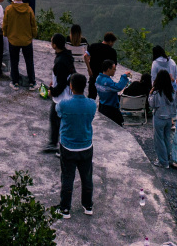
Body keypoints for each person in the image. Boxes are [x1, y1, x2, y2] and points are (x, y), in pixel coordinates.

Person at [56, 73, 97, 219]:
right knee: (87, 177)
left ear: (71, 86)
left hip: (68, 146)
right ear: (84, 86)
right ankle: (88, 206)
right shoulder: (92, 104)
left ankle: (65, 209)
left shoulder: (64, 104)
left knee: (67, 177)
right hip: (86, 145)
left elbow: (58, 113)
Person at [46, 33, 76, 153]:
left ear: (54, 45)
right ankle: (54, 144)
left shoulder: (60, 61)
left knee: (60, 122)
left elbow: (62, 82)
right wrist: (54, 81)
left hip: (62, 97)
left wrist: (52, 92)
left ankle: (60, 148)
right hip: (68, 94)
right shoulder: (66, 56)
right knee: (55, 120)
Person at [2, 0, 37, 88]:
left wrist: (6, 34)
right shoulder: (29, 9)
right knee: (29, 61)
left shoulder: (9, 9)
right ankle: (32, 82)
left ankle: (15, 82)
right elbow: (33, 25)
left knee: (14, 61)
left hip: (13, 40)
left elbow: (5, 25)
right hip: (27, 40)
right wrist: (33, 36)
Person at [149, 69, 175, 167]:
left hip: (159, 118)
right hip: (168, 119)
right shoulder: (172, 92)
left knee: (159, 140)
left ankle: (163, 162)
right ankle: (167, 159)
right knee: (166, 139)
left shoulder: (157, 92)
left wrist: (150, 94)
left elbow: (152, 104)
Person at [93, 58, 130, 127]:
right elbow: (118, 87)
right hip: (110, 108)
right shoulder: (107, 81)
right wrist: (124, 76)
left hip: (102, 105)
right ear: (108, 69)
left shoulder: (98, 78)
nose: (115, 71)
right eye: (114, 69)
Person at [85, 32, 118, 99]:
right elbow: (114, 66)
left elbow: (85, 56)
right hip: (105, 78)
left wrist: (89, 69)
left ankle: (90, 109)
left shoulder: (93, 46)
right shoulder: (112, 51)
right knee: (104, 98)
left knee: (91, 97)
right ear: (110, 42)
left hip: (93, 75)